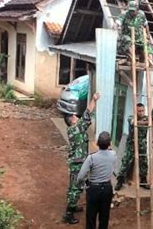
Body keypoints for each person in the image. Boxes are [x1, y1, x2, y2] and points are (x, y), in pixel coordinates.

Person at [62, 92, 99, 224]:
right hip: (78, 163)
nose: (76, 116)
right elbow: (87, 114)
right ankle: (68, 214)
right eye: (74, 116)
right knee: (76, 188)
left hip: (76, 162)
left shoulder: (74, 129)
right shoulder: (76, 128)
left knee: (73, 186)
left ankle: (72, 206)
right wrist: (94, 100)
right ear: (72, 120)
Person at [77, 131, 117, 229]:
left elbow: (81, 176)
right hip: (107, 189)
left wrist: (82, 183)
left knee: (91, 216)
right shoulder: (113, 155)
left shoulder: (91, 158)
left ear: (97, 143)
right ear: (110, 144)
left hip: (94, 189)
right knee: (104, 216)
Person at [115, 103, 150, 191]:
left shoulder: (147, 117)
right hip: (131, 144)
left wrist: (149, 121)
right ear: (136, 111)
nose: (141, 113)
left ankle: (143, 180)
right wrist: (147, 123)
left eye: (143, 111)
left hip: (142, 144)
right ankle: (120, 181)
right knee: (126, 161)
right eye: (139, 111)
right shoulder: (131, 117)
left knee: (144, 162)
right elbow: (135, 122)